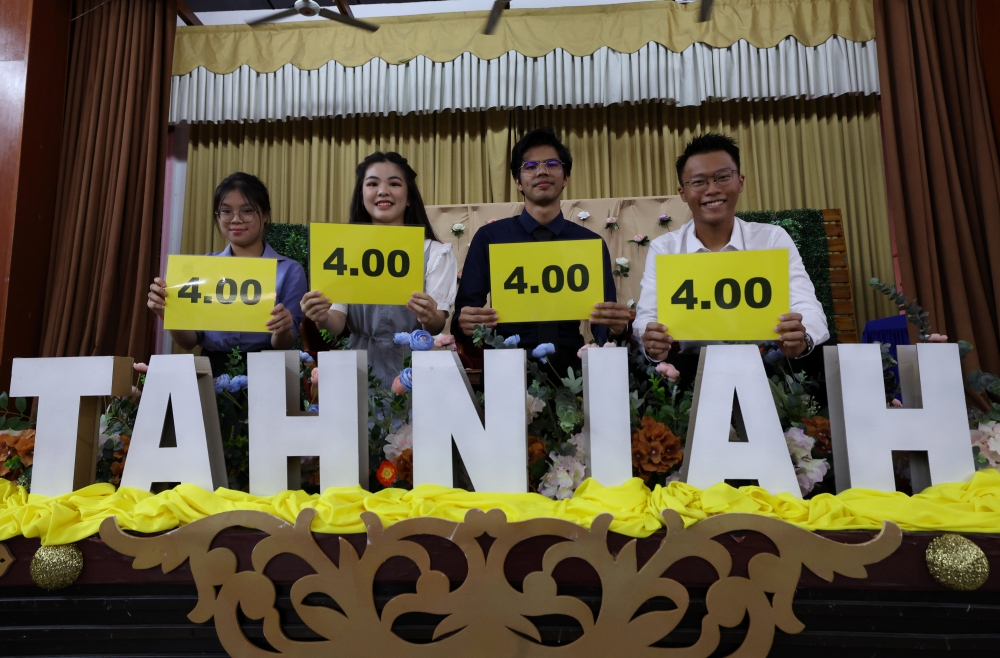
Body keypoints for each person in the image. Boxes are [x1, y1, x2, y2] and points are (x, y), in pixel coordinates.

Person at [634, 133, 830, 386]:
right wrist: (651, 341)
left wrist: (803, 337)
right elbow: (646, 317)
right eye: (699, 182)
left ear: (740, 181)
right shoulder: (665, 248)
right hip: (692, 368)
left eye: (722, 177)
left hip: (766, 363)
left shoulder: (771, 239)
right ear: (683, 193)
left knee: (821, 355)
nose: (712, 189)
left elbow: (807, 306)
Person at [452, 127, 631, 370]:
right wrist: (466, 322)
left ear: (566, 177)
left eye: (552, 163)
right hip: (507, 365)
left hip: (573, 367)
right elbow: (463, 316)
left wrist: (616, 329)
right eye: (530, 166)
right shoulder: (490, 238)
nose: (542, 171)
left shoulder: (589, 243)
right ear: (517, 181)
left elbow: (604, 322)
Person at [300, 152, 458, 387]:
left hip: (415, 372)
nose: (383, 191)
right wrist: (321, 316)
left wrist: (429, 315)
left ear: (409, 198)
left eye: (394, 183)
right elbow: (337, 323)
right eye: (373, 183)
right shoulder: (344, 251)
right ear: (362, 195)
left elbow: (435, 324)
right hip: (359, 369)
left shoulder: (435, 253)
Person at [147, 172, 308, 376]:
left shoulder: (289, 270)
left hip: (267, 370)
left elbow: (283, 343)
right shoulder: (203, 267)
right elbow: (189, 342)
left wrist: (283, 328)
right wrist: (168, 313)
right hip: (210, 369)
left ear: (265, 214)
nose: (236, 220)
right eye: (226, 211)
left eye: (247, 211)